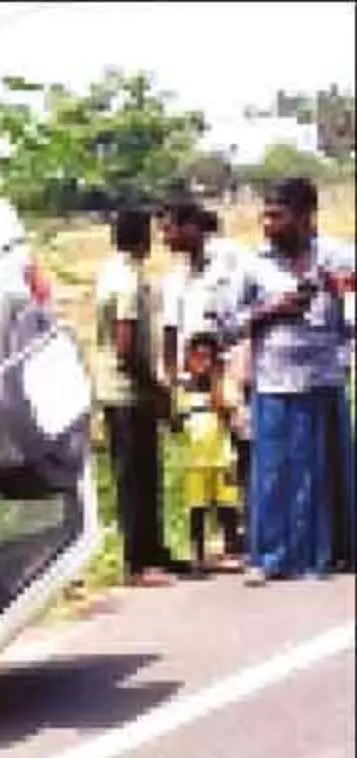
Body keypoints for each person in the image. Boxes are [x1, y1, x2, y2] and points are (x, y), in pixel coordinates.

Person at [232, 177, 357, 583]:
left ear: (305, 217)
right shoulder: (253, 265)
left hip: (325, 378)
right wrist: (272, 309)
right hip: (275, 382)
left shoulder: (337, 256)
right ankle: (273, 556)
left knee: (325, 471)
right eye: (265, 216)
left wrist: (342, 292)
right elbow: (226, 322)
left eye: (278, 216)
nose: (268, 224)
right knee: (275, 473)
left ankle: (330, 553)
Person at [158, 201, 251, 560]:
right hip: (193, 383)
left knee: (240, 451)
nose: (165, 238)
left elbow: (245, 315)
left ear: (192, 227)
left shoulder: (230, 260)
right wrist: (171, 382)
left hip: (229, 372)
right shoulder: (174, 279)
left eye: (170, 229)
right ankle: (215, 541)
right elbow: (170, 332)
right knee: (202, 463)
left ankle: (246, 530)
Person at [94, 206, 177, 587]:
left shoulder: (111, 270)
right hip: (127, 391)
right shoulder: (126, 280)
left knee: (147, 473)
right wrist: (155, 388)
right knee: (135, 478)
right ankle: (138, 563)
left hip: (125, 390)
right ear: (142, 237)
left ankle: (154, 551)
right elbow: (126, 347)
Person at [173, 332, 243, 575]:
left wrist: (215, 381)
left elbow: (228, 410)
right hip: (195, 460)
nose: (202, 363)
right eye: (197, 357)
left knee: (227, 506)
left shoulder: (224, 386)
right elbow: (176, 422)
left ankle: (231, 550)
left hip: (222, 457)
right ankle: (198, 554)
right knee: (197, 508)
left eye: (208, 358)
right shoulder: (183, 390)